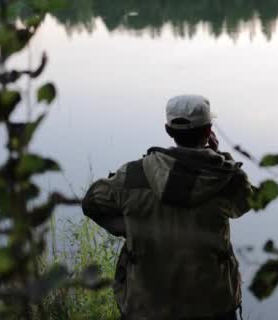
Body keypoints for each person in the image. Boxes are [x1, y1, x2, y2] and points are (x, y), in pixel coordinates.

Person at [82, 94, 253, 320]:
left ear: (168, 130)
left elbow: (91, 204)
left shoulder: (132, 176)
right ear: (208, 130)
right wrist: (219, 158)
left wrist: (128, 228)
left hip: (146, 305)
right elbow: (249, 201)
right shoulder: (225, 180)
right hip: (212, 305)